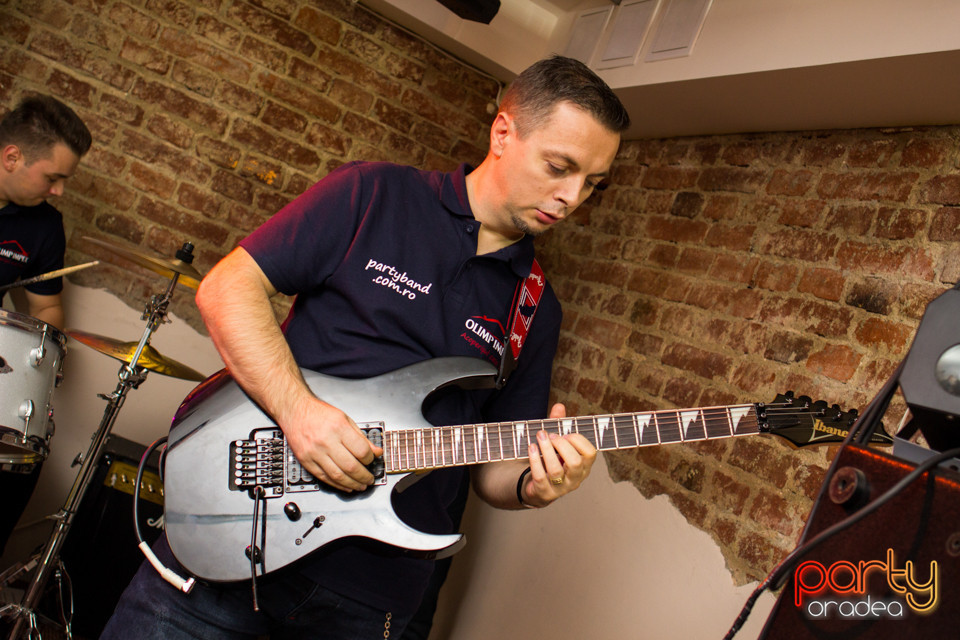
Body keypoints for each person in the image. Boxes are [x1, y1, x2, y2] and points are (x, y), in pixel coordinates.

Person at [101, 55, 630, 639]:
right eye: (559, 167)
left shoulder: (535, 306)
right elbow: (228, 289)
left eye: (592, 183)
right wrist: (299, 413)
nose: (572, 196)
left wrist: (535, 486)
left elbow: (493, 471)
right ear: (503, 133)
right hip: (238, 531)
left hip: (367, 598)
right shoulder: (375, 193)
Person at [0, 95, 91, 555]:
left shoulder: (44, 226)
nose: (58, 192)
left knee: (20, 466)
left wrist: (46, 354)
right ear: (12, 157)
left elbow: (46, 307)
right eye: (52, 178)